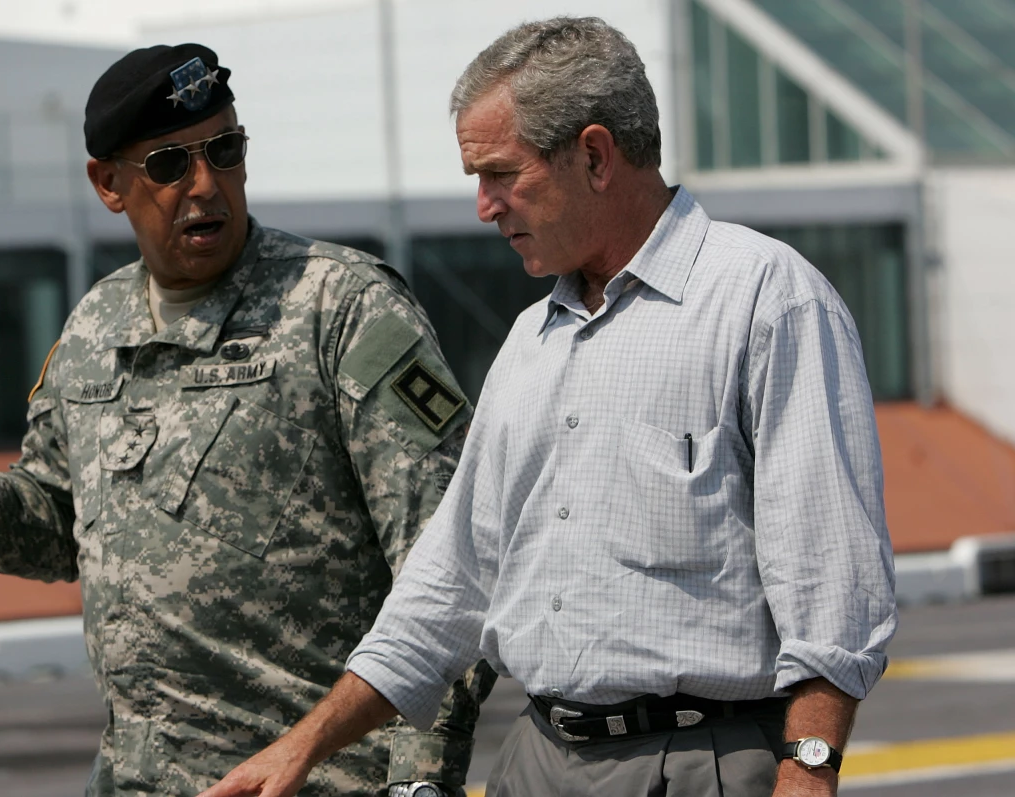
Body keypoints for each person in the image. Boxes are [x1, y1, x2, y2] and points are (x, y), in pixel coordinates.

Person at [204, 16, 897, 797]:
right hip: (535, 761)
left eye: (501, 173)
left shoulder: (768, 302)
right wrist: (302, 747)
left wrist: (809, 774)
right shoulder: (530, 343)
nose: (483, 206)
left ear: (595, 155)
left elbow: (833, 584)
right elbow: (449, 584)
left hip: (700, 764)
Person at [0, 43, 494, 797]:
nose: (206, 186)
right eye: (169, 165)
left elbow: (450, 562)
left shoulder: (343, 308)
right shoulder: (93, 328)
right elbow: (58, 529)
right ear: (108, 183)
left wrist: (420, 783)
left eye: (225, 151)